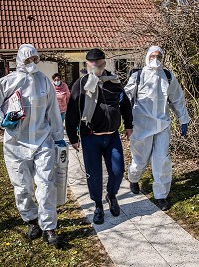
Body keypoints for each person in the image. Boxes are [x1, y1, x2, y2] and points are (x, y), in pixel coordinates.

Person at [0, 44, 66, 245]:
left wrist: (58, 136)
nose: (32, 64)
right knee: (22, 186)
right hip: (15, 143)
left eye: (35, 60)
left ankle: (49, 227)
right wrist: (3, 120)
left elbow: (53, 111)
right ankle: (31, 220)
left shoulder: (44, 81)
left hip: (42, 140)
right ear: (20, 60)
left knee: (46, 185)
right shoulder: (7, 82)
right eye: (28, 60)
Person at [66, 48, 133, 224]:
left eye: (98, 62)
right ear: (87, 64)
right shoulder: (80, 85)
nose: (95, 65)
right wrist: (73, 137)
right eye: (91, 62)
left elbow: (125, 104)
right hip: (90, 137)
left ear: (104, 62)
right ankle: (97, 205)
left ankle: (111, 195)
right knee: (94, 175)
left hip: (112, 137)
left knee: (118, 171)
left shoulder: (114, 81)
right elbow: (72, 112)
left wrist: (128, 125)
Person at [125, 45, 190, 210]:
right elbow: (125, 98)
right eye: (153, 56)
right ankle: (133, 179)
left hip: (162, 124)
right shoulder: (138, 75)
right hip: (141, 125)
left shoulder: (167, 76)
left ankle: (161, 195)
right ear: (147, 57)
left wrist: (183, 119)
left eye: (159, 57)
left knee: (162, 161)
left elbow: (177, 99)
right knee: (139, 161)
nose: (156, 59)